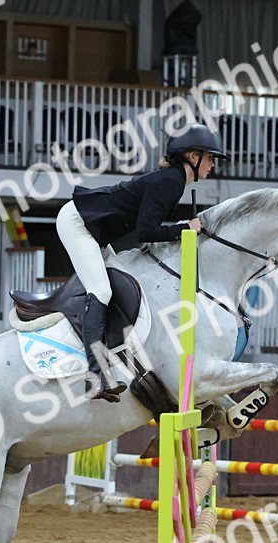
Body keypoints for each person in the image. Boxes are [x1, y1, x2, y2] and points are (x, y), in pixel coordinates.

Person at [57, 123, 226, 401]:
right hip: (79, 223)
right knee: (100, 291)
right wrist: (185, 228)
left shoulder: (173, 181)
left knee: (123, 285)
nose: (212, 165)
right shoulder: (170, 182)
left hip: (94, 229)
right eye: (209, 158)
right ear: (192, 157)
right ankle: (94, 376)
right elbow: (146, 232)